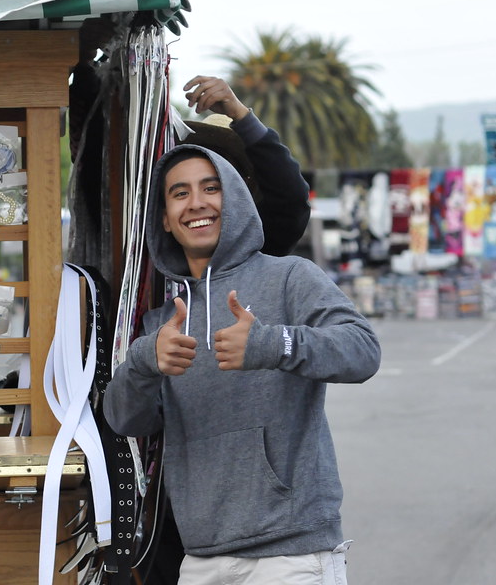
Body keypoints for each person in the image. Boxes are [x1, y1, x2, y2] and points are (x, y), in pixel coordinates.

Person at [104, 145, 381, 584]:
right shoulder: (162, 320)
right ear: (164, 219)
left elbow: (363, 350)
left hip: (293, 554)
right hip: (201, 558)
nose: (197, 202)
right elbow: (124, 419)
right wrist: (143, 361)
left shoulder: (290, 276)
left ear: (233, 199)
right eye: (180, 193)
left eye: (210, 188)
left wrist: (273, 343)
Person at [180, 75, 310, 257]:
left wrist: (240, 114)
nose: (196, 204)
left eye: (227, 166)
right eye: (182, 192)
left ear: (246, 180)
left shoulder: (262, 243)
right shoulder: (170, 243)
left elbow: (292, 198)